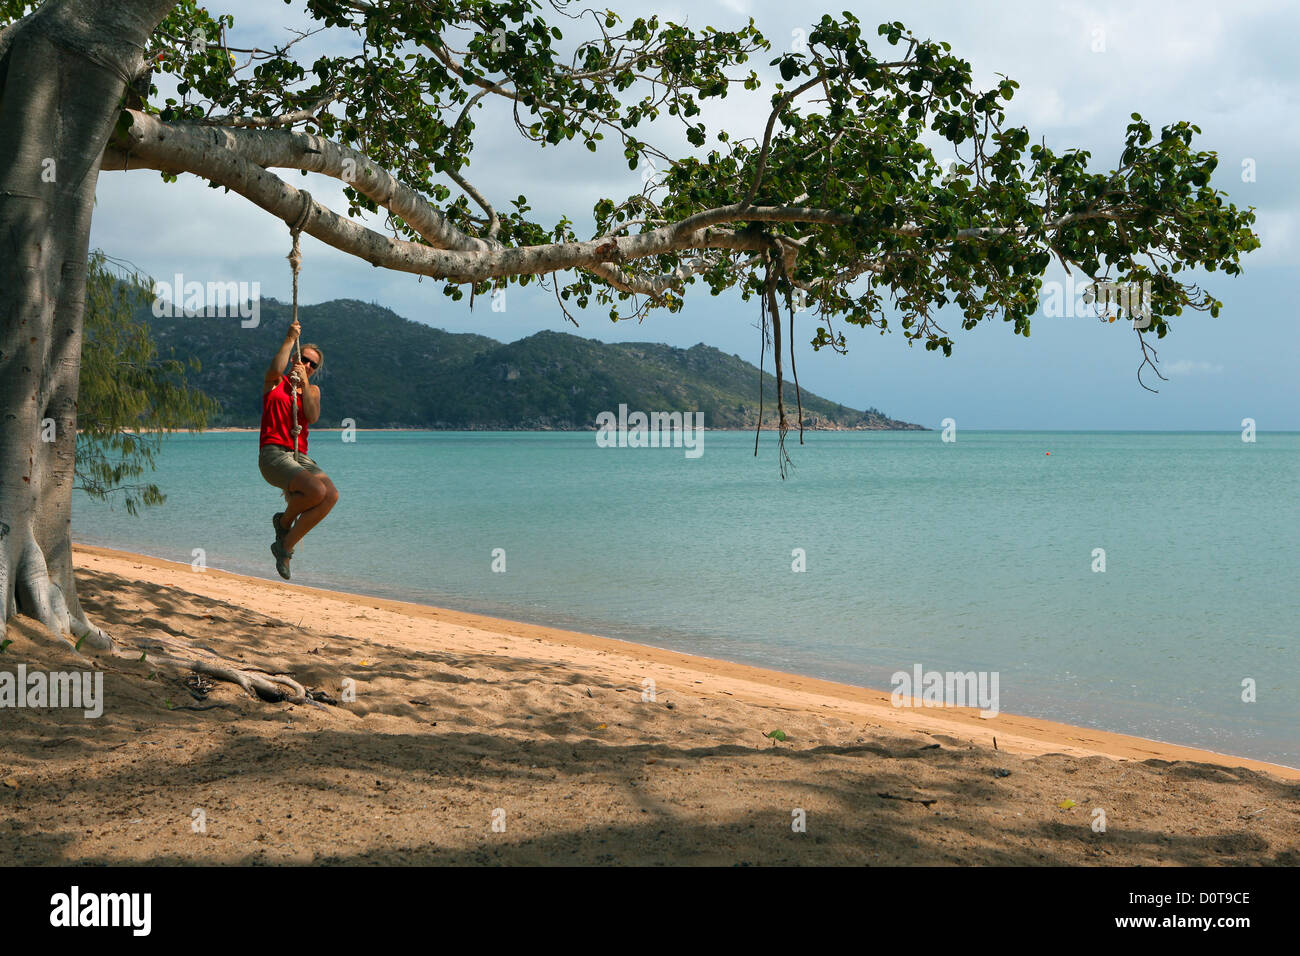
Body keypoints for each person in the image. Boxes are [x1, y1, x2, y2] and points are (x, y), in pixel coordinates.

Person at [258, 319, 338, 579]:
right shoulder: (276, 382)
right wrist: (290, 338)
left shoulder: (312, 390)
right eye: (304, 359)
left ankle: (285, 545)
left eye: (313, 364)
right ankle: (282, 522)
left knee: (331, 496)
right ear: (296, 357)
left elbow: (312, 416)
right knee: (315, 490)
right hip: (273, 454)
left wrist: (304, 385)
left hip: (297, 456)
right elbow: (275, 368)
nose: (307, 365)